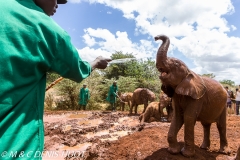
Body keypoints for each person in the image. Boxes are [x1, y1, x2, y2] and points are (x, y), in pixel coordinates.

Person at [0, 0, 111, 159]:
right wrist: (96, 62)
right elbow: (78, 70)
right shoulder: (46, 28)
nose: (59, 4)